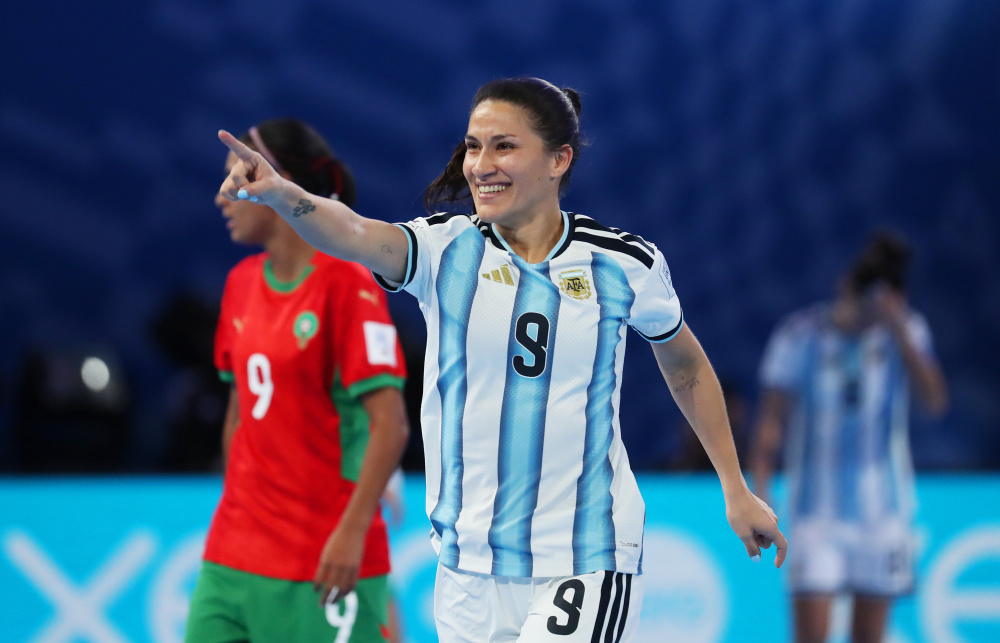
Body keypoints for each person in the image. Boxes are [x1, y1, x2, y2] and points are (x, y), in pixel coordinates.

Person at [216, 77, 786, 643]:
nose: (480, 164)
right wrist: (279, 193)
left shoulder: (621, 263)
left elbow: (684, 364)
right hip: (468, 565)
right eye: (472, 145)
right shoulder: (444, 249)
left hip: (584, 554)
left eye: (504, 146)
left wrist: (734, 486)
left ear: (559, 159)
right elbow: (351, 232)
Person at [185, 118, 410, 643]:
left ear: (272, 179)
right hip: (232, 553)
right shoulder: (239, 285)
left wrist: (353, 534)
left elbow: (390, 425)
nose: (222, 196)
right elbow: (239, 412)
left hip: (320, 555)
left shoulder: (349, 282)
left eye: (233, 179)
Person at [750, 232, 948, 643]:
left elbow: (934, 401)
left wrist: (897, 328)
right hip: (814, 518)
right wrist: (761, 495)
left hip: (883, 518)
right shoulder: (799, 336)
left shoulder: (904, 332)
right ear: (846, 286)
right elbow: (770, 425)